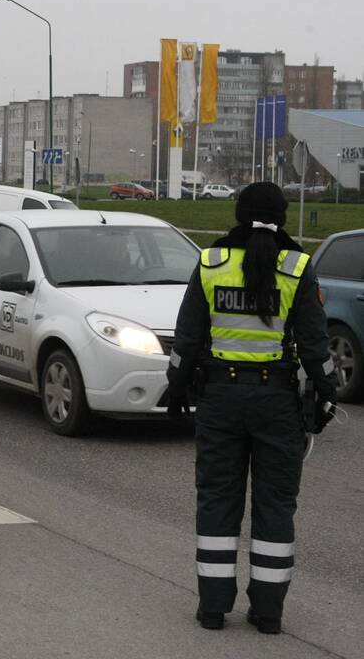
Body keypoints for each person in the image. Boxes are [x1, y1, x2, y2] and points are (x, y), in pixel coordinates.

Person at [166, 182, 338, 634]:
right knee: (275, 505)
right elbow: (315, 346)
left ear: (240, 215)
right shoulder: (298, 268)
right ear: (281, 216)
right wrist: (327, 392)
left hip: (220, 400)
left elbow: (186, 340)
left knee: (218, 501)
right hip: (277, 402)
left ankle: (213, 609)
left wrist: (176, 388)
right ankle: (268, 614)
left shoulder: (210, 264)